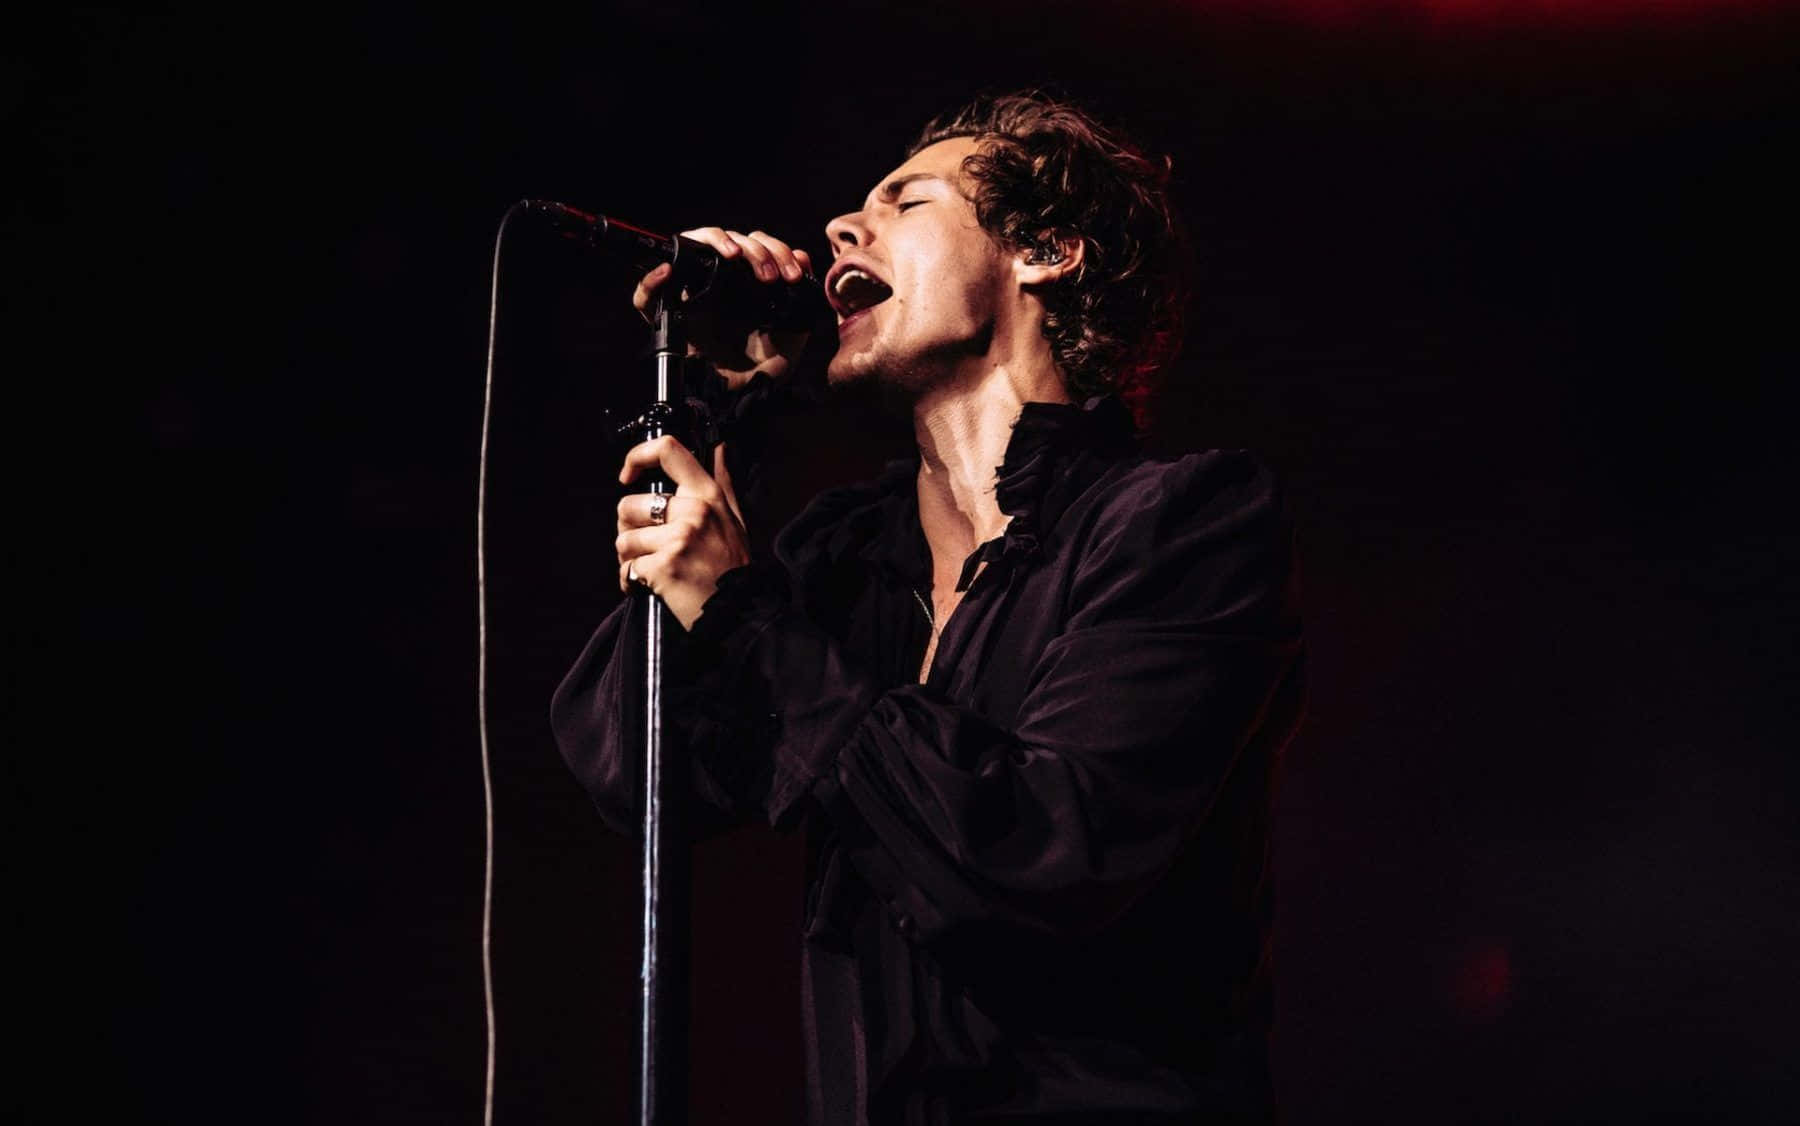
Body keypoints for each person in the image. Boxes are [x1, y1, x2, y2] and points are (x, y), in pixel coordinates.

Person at [552, 91, 1304, 1125]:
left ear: (1047, 252)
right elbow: (628, 768)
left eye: (905, 202)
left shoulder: (1185, 523)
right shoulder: (844, 561)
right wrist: (725, 422)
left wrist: (745, 611)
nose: (839, 230)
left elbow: (1047, 857)